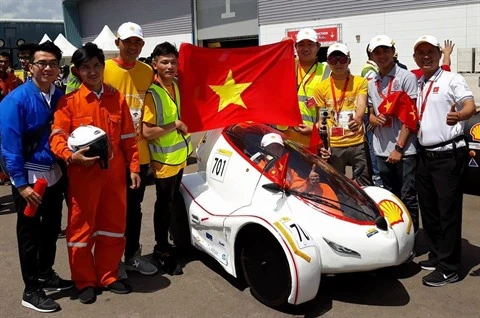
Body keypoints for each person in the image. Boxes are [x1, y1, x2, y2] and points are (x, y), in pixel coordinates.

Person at [50, 42, 141, 303]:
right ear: (77, 71)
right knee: (81, 230)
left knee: (113, 228)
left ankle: (108, 276)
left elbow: (128, 137)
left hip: (114, 177)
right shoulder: (68, 102)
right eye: (86, 67)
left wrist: (134, 167)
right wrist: (70, 156)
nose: (92, 71)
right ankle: (84, 280)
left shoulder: (117, 98)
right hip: (84, 177)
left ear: (103, 67)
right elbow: (57, 136)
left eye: (96, 66)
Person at [0, 41, 73, 313]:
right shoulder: (15, 100)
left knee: (52, 228)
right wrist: (19, 184)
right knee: (29, 234)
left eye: (53, 63)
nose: (47, 68)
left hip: (54, 173)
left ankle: (46, 273)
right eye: (41, 63)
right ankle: (31, 289)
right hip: (29, 178)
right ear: (29, 66)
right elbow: (9, 145)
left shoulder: (61, 95)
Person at [412, 35, 476, 287]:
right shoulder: (420, 82)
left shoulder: (452, 79)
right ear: (415, 57)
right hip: (425, 155)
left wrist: (459, 115)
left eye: (431, 51)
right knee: (429, 210)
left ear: (439, 54)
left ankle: (449, 268)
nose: (426, 56)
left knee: (448, 212)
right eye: (421, 52)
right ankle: (437, 255)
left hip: (448, 155)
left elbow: (470, 105)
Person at [104, 21, 157, 278]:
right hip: (112, 155)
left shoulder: (147, 71)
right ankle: (112, 261)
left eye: (137, 42)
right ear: (117, 43)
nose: (133, 46)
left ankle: (132, 256)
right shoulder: (102, 69)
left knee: (134, 209)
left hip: (140, 153)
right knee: (112, 209)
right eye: (128, 42)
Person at [142, 42, 192, 275]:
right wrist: (175, 125)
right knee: (164, 205)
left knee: (171, 202)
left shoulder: (176, 86)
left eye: (173, 61)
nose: (170, 66)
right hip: (163, 162)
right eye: (165, 62)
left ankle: (170, 241)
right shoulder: (153, 93)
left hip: (178, 157)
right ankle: (161, 249)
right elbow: (147, 132)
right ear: (155, 64)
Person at [367, 35, 419, 233]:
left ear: (393, 52)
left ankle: (412, 237)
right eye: (377, 52)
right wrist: (372, 119)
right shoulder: (372, 82)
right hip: (381, 148)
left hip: (404, 150)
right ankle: (398, 236)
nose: (382, 55)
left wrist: (399, 147)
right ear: (371, 55)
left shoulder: (406, 77)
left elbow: (411, 116)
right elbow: (371, 113)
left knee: (408, 197)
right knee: (391, 198)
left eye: (385, 50)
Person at [313, 43, 371, 186]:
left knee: (364, 183)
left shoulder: (360, 82)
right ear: (328, 63)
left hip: (357, 142)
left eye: (342, 59)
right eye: (333, 60)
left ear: (349, 61)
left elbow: (362, 104)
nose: (338, 63)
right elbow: (322, 118)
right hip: (335, 144)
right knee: (336, 184)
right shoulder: (321, 88)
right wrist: (323, 145)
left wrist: (357, 119)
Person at [274, 28, 331, 146]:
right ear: (295, 47)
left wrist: (316, 127)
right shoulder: (287, 64)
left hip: (309, 135)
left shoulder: (327, 71)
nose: (305, 48)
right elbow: (273, 59)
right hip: (281, 133)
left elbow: (329, 105)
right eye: (301, 44)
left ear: (318, 46)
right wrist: (283, 44)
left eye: (310, 44)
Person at [255, 133, 339, 204]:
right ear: (263, 150)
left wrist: (310, 181)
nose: (274, 151)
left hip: (291, 198)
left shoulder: (286, 168)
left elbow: (299, 185)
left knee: (324, 188)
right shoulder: (258, 167)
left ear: (282, 150)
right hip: (273, 201)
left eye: (278, 148)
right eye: (270, 148)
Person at [361, 45, 382, 187]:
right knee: (374, 148)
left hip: (375, 115)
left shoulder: (374, 68)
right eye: (377, 52)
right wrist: (371, 116)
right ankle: (377, 180)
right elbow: (372, 95)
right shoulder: (369, 70)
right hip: (372, 116)